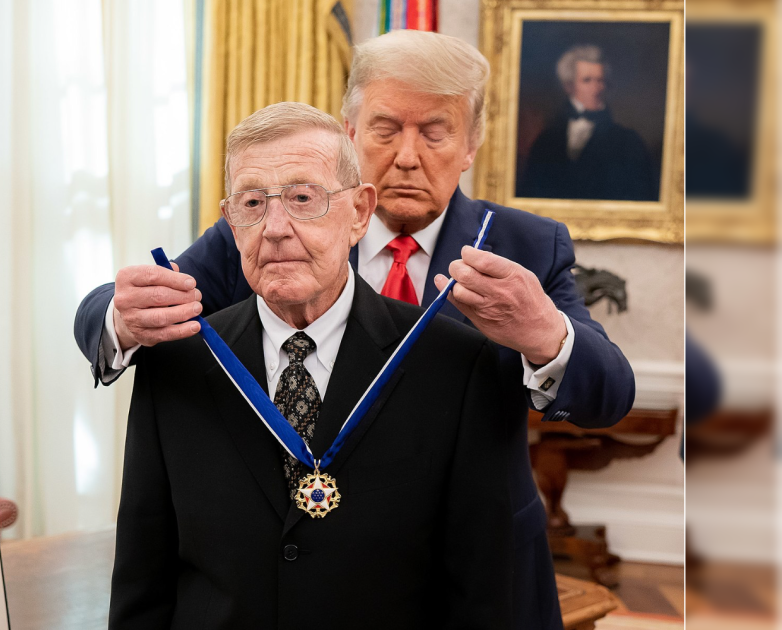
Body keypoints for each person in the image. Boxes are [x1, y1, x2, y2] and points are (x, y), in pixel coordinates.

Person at [79, 30, 636, 630]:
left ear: (471, 144)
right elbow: (146, 299)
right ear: (351, 131)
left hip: (470, 563)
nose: (407, 156)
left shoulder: (524, 244)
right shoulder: (271, 222)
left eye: (435, 132)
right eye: (385, 128)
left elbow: (609, 394)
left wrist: (545, 332)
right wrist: (119, 318)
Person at [109, 102, 523, 628]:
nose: (275, 228)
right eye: (252, 202)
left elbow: (479, 593)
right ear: (231, 222)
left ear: (359, 213)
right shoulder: (177, 360)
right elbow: (143, 579)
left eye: (303, 198)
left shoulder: (453, 364)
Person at [518, 44, 658, 201]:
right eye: (587, 80)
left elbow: (642, 198)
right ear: (569, 86)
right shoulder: (546, 140)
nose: (596, 88)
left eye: (600, 80)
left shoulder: (628, 142)